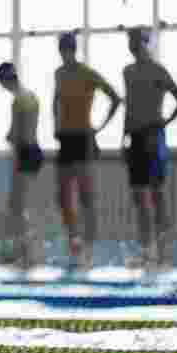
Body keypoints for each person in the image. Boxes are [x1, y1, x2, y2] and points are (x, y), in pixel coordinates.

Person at [53, 32, 121, 270]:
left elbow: (115, 98)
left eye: (68, 49)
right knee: (62, 197)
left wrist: (99, 128)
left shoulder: (87, 73)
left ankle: (89, 251)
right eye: (62, 50)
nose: (65, 54)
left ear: (74, 50)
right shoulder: (59, 74)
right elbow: (56, 100)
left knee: (85, 197)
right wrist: (56, 124)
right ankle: (75, 246)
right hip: (65, 139)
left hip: (83, 137)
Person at [122, 26, 177, 271]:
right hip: (135, 139)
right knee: (140, 199)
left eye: (136, 41)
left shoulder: (158, 71)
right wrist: (124, 139)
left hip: (153, 137)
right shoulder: (127, 72)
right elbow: (129, 107)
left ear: (145, 43)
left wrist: (163, 124)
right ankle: (147, 252)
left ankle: (163, 253)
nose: (132, 45)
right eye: (130, 41)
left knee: (157, 196)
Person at [0, 62, 44, 268]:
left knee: (16, 207)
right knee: (23, 205)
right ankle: (27, 252)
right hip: (35, 152)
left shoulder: (17, 101)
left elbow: (17, 134)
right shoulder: (32, 96)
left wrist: (10, 140)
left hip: (24, 153)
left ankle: (25, 254)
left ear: (5, 80)